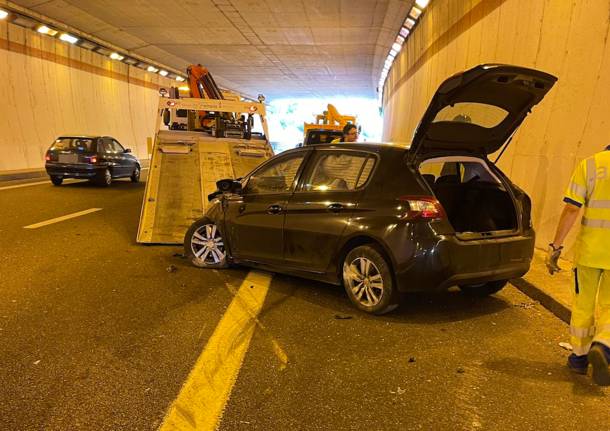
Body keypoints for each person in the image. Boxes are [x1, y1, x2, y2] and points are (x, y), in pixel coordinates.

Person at [547, 144, 610, 386]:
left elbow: (572, 207)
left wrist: (556, 246)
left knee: (583, 305)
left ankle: (579, 359)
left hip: (589, 253)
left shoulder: (591, 164)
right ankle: (604, 346)